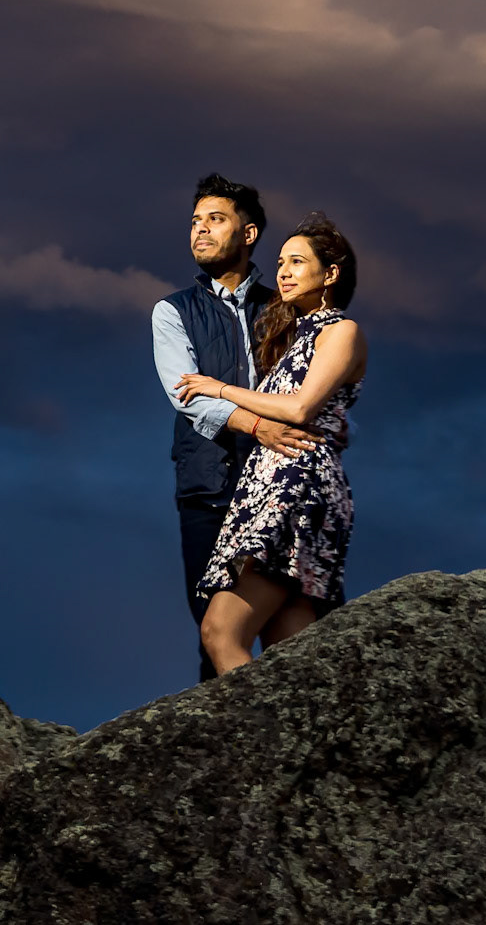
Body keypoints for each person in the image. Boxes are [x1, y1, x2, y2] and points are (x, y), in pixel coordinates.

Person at [176, 212, 365, 675]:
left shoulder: (342, 330)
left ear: (331, 274)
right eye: (280, 261)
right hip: (274, 483)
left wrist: (216, 387)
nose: (282, 271)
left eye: (297, 262)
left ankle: (254, 745)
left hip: (296, 488)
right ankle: (302, 745)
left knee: (221, 631)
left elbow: (301, 410)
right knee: (290, 658)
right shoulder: (293, 337)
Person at [152, 174, 322, 682]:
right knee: (215, 633)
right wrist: (256, 424)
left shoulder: (287, 310)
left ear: (248, 235)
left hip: (278, 490)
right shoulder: (173, 311)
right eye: (195, 222)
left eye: (215, 219)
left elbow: (311, 392)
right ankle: (227, 754)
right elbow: (185, 395)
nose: (200, 231)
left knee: (296, 633)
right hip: (208, 492)